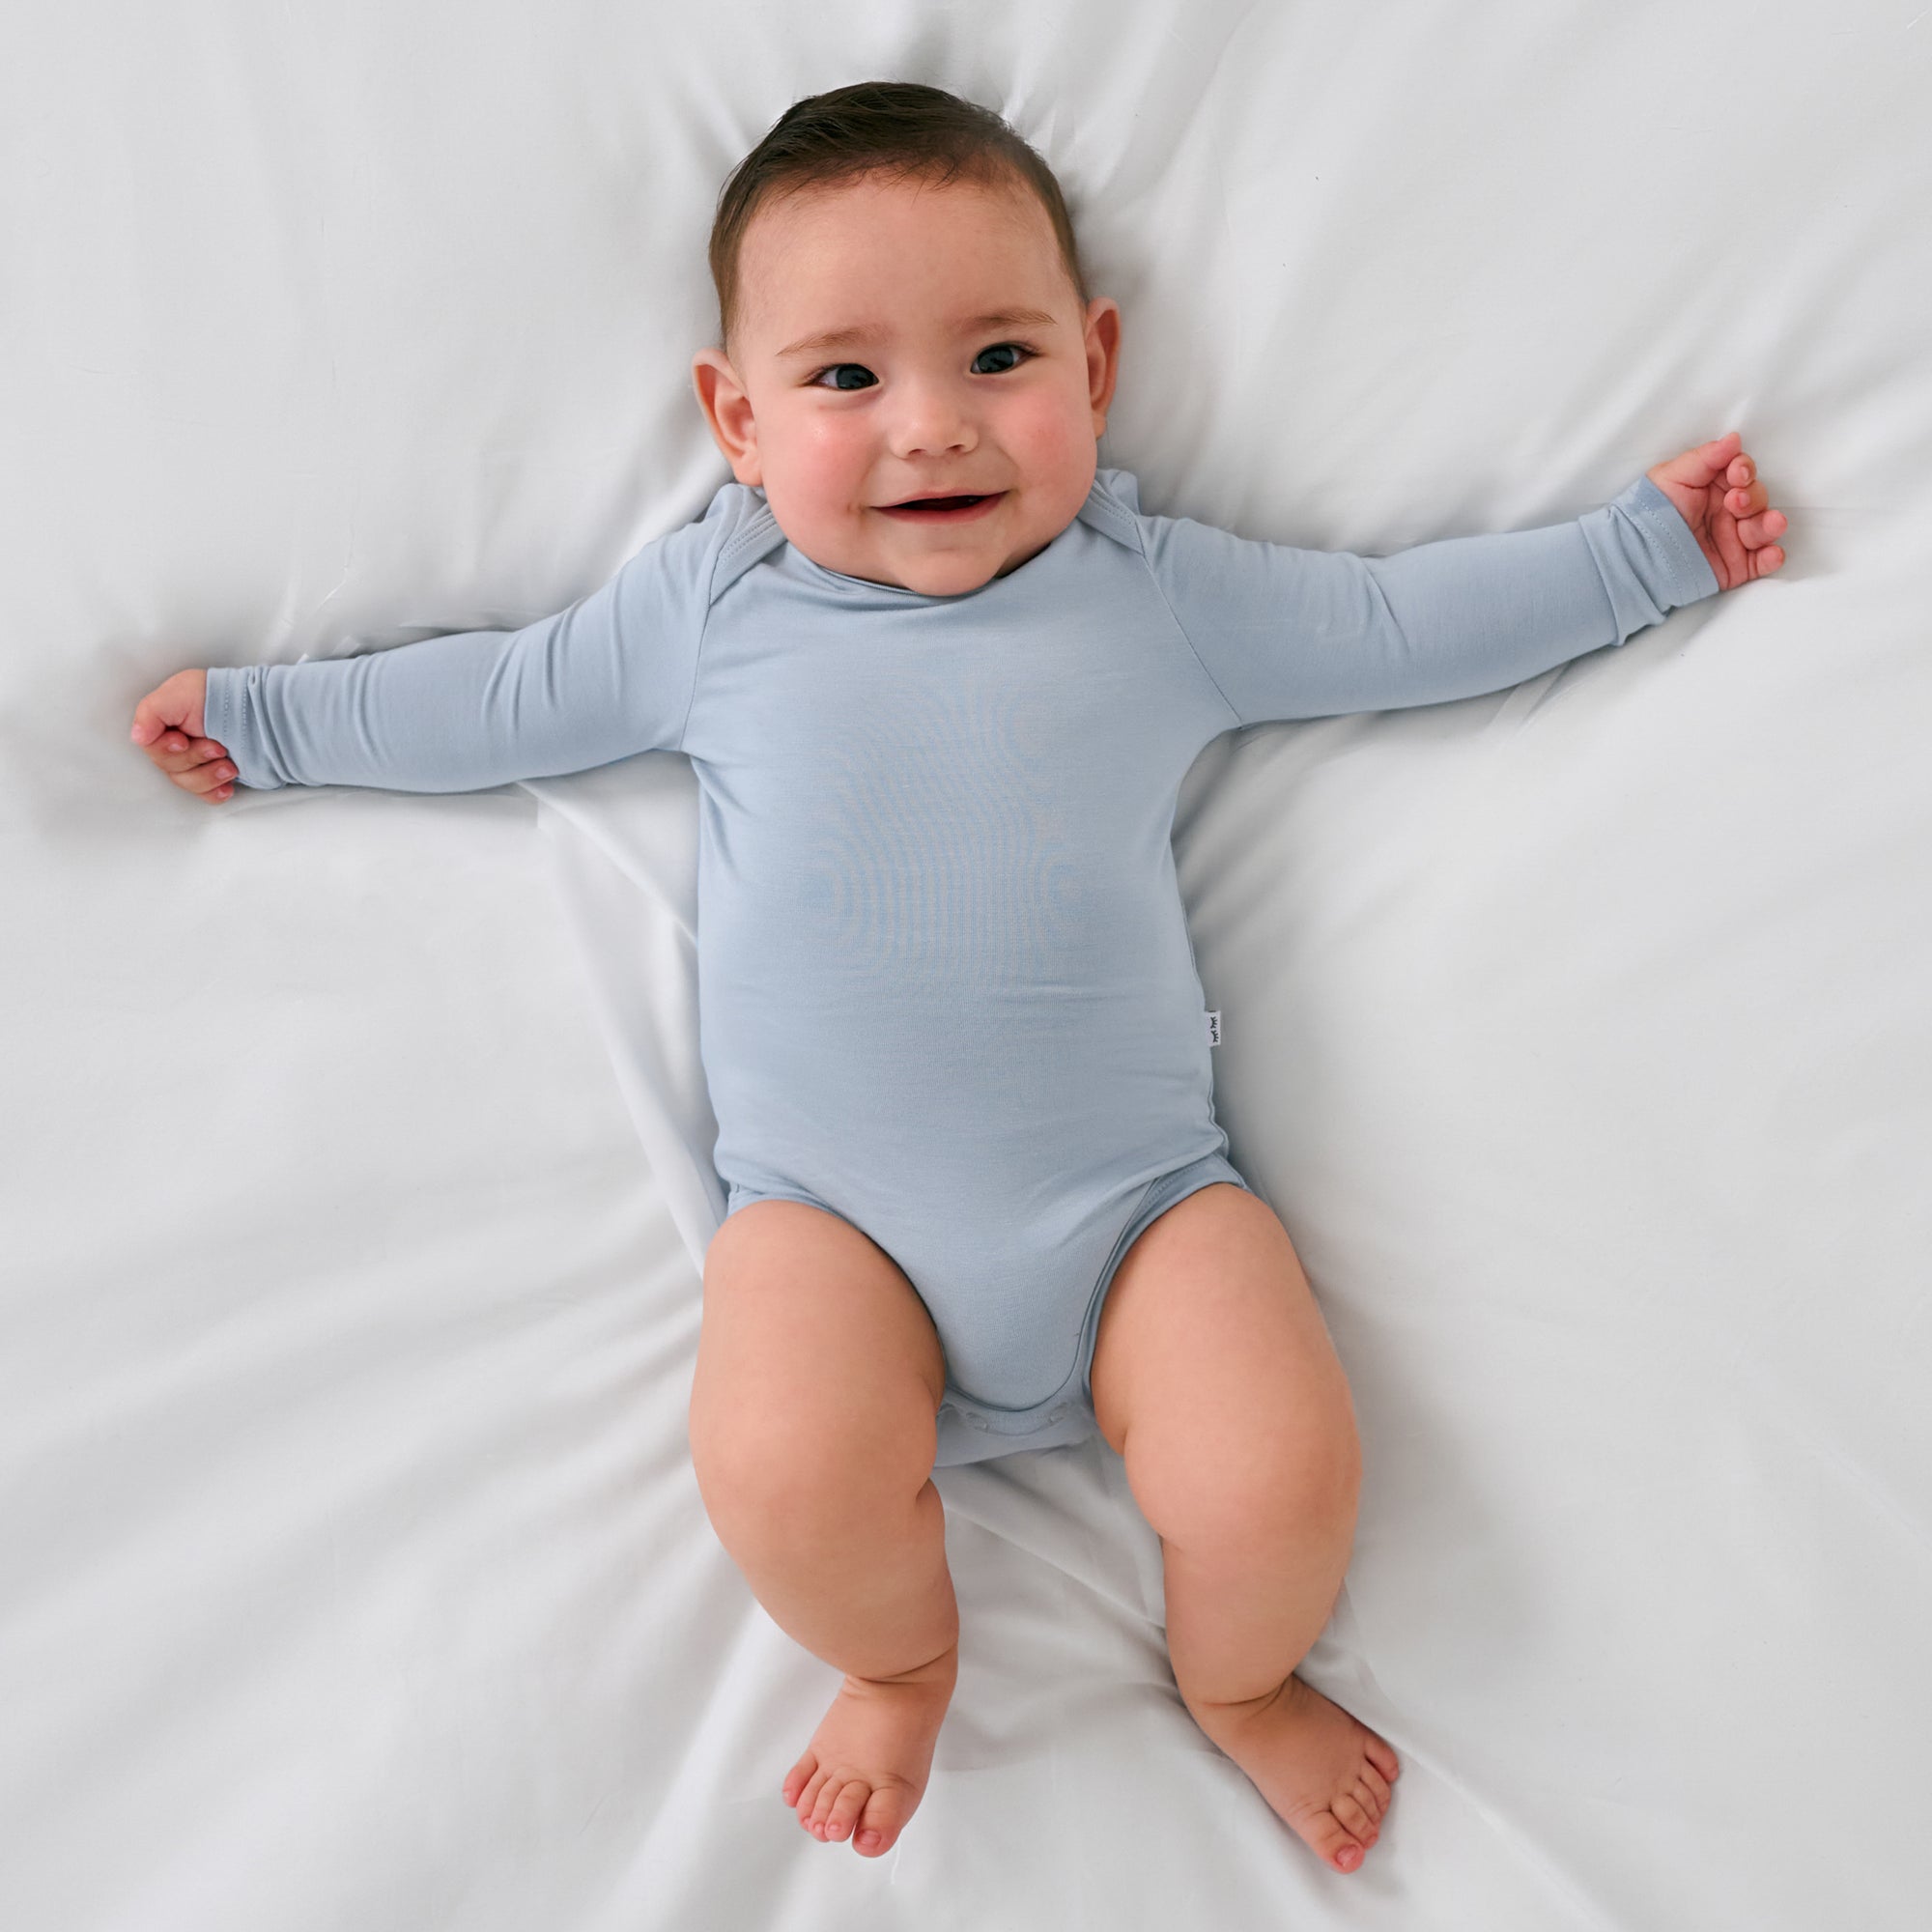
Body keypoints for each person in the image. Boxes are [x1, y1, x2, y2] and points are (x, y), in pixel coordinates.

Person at [128, 79, 1787, 1875]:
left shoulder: (1154, 595)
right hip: (836, 1230)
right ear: (736, 419)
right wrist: (274, 725)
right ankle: (905, 1659)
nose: (931, 429)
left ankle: (1235, 1682)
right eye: (845, 379)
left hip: (1141, 1215)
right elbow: (498, 701)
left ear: (1096, 364)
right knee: (775, 1464)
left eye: (996, 356)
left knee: (1276, 1476)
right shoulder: (712, 612)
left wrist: (1645, 554)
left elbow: (1395, 626)